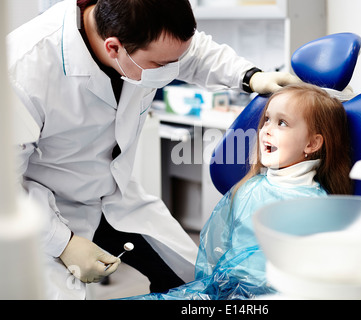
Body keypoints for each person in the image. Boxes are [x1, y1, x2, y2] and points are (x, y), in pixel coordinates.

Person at [7, 0, 303, 299]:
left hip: (115, 195)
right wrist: (64, 242)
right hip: (46, 212)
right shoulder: (22, 69)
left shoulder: (144, 34)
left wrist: (251, 76)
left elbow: (193, 53)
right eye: (160, 66)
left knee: (198, 281)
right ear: (113, 48)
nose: (172, 70)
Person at [125, 83, 354, 300]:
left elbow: (312, 282)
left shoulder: (316, 208)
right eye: (266, 120)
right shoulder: (248, 189)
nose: (266, 130)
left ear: (312, 144)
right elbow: (216, 253)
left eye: (282, 123)